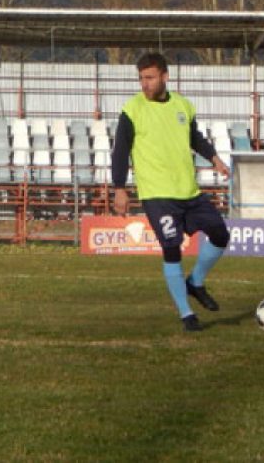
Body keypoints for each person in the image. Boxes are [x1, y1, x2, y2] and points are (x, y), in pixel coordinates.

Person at [112, 52, 231, 332]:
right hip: (158, 196)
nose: (145, 84)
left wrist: (214, 158)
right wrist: (120, 188)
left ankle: (196, 282)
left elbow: (194, 138)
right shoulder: (132, 110)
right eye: (141, 78)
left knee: (220, 233)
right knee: (171, 248)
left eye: (150, 78)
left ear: (165, 77)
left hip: (189, 192)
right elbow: (120, 152)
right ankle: (186, 314)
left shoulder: (183, 106)